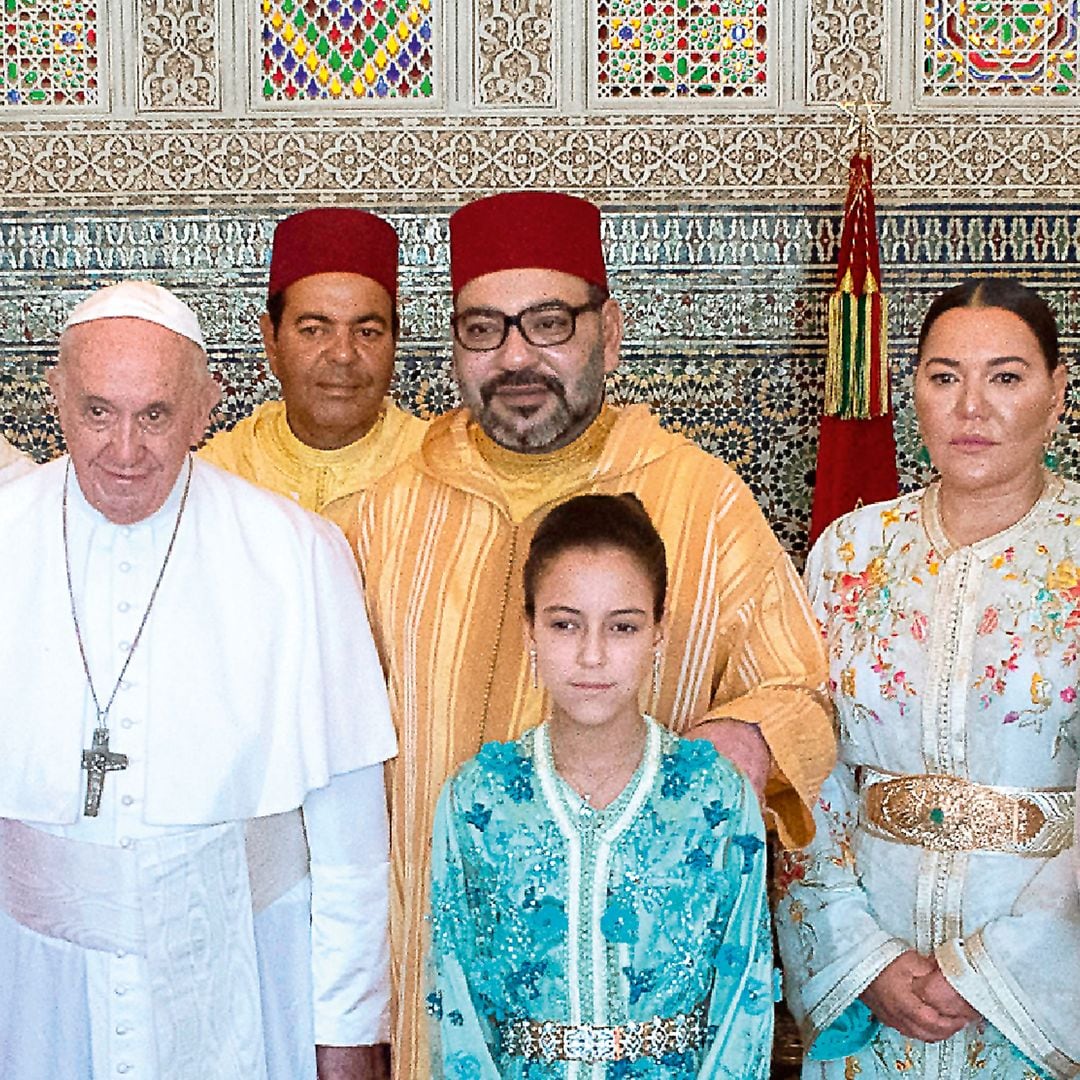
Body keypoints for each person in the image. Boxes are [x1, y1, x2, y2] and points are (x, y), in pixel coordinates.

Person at [347, 190, 835, 1077]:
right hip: (446, 1009)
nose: (516, 357)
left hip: (654, 1023)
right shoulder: (382, 520)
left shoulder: (702, 500)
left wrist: (752, 735)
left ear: (609, 330)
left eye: (547, 322)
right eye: (482, 329)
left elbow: (802, 689)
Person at [0, 281, 397, 1080]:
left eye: (154, 415)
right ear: (54, 398)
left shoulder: (296, 553)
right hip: (33, 988)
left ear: (205, 407)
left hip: (248, 968)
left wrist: (350, 1029)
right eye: (96, 411)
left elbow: (351, 832)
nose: (123, 450)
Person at [776, 277, 1080, 1079]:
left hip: (1043, 986)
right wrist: (860, 953)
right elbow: (807, 772)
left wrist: (995, 968)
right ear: (914, 392)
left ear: (1057, 394)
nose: (971, 407)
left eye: (1006, 377)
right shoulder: (849, 553)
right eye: (945, 377)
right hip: (876, 972)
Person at [427, 493, 774, 1078]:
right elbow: (455, 1000)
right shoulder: (478, 799)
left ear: (659, 635)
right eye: (565, 624)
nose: (592, 656)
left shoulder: (713, 799)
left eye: (622, 627)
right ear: (530, 629)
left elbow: (744, 996)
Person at [200, 207, 426, 512]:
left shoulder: (444, 469)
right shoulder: (216, 477)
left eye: (367, 332)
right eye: (314, 330)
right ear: (272, 341)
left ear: (395, 341)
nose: (343, 354)